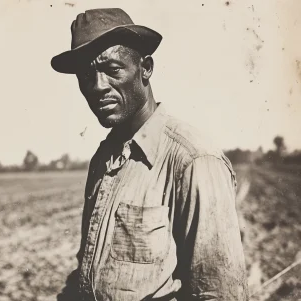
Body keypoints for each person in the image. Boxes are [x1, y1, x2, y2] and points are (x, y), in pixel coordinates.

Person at [51, 8, 249, 301]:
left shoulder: (193, 160)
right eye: (85, 75)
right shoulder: (103, 158)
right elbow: (90, 270)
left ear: (146, 68)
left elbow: (218, 292)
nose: (97, 86)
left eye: (113, 69)